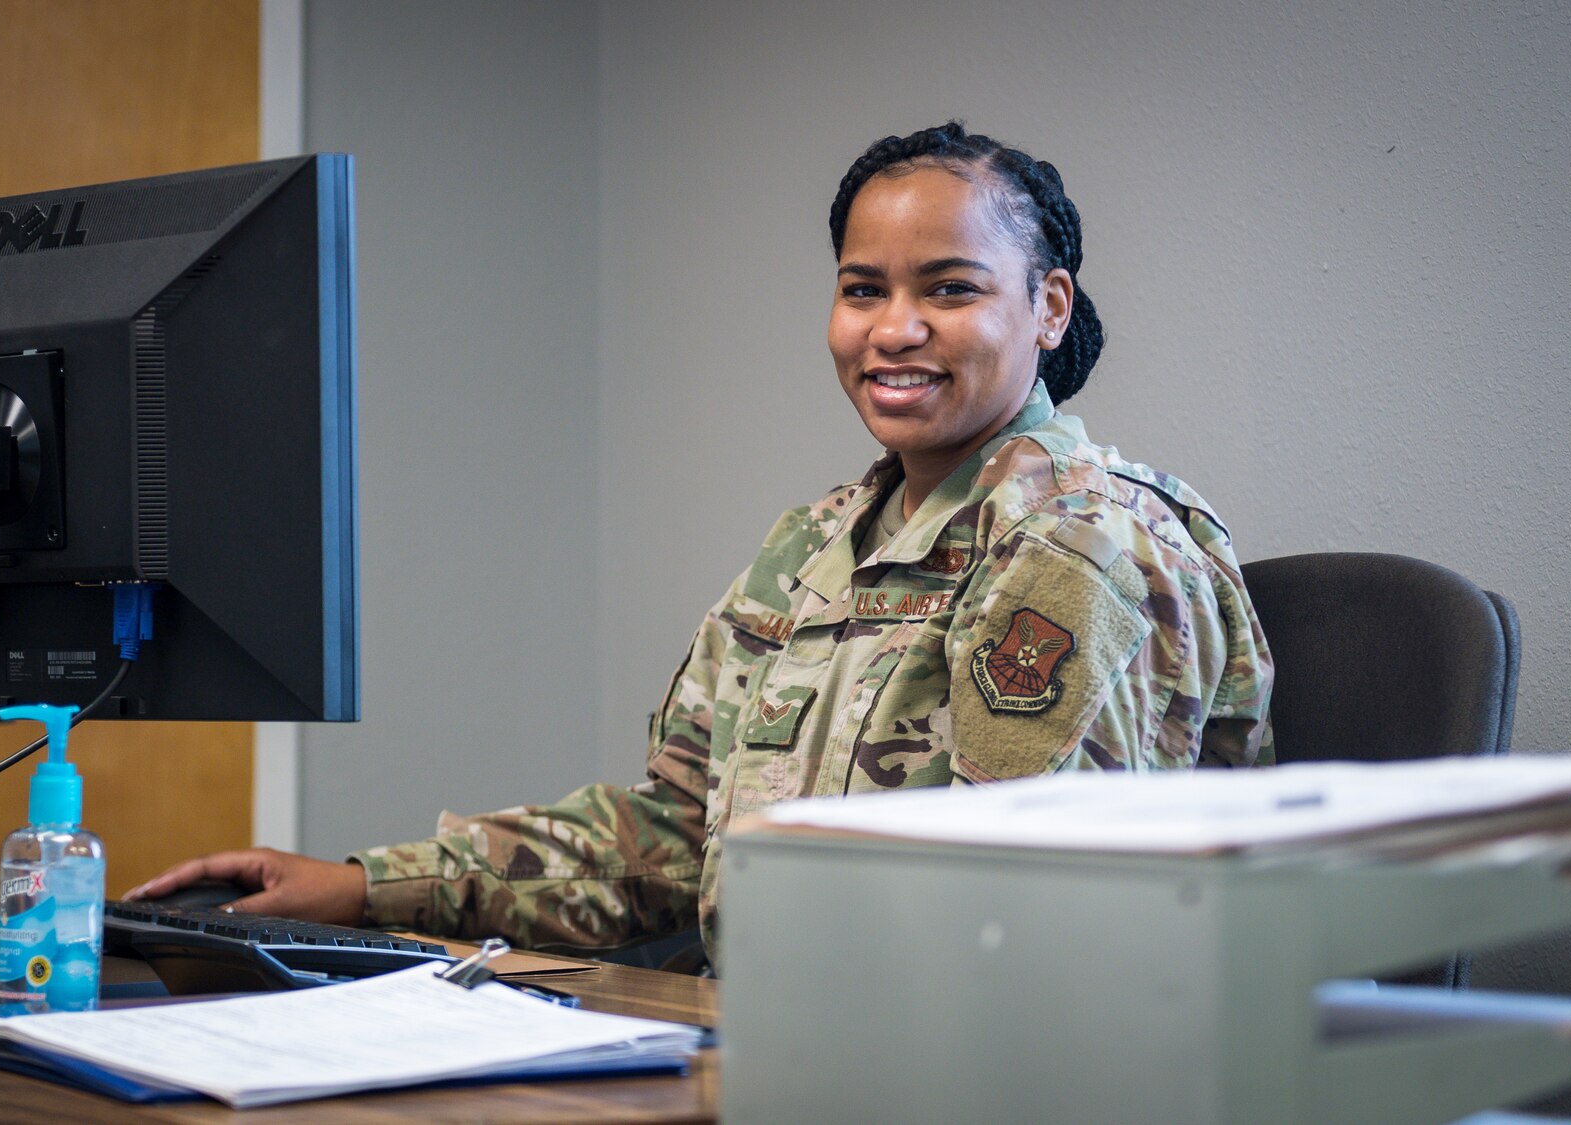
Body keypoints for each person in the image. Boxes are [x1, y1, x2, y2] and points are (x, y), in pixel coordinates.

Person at [128, 123, 1275, 965]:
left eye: (951, 288)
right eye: (860, 287)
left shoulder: (1079, 543)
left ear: (1048, 308)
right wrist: (361, 888)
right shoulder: (817, 545)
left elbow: (1030, 922)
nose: (893, 329)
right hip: (789, 1052)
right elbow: (675, 839)